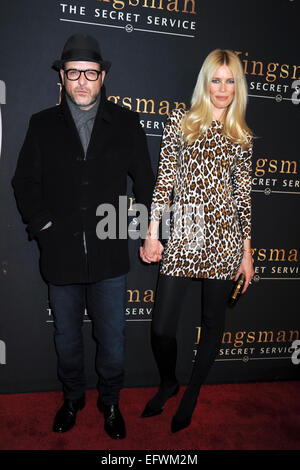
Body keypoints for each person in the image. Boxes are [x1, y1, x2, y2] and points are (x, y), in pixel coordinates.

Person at [12, 34, 154, 439]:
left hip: (110, 257)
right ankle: (72, 398)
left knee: (112, 340)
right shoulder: (42, 123)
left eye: (90, 73)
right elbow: (24, 181)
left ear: (102, 75)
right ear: (62, 76)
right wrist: (43, 229)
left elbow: (145, 182)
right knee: (67, 339)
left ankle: (110, 402)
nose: (81, 81)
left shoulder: (125, 122)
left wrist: (147, 233)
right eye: (73, 73)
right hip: (60, 256)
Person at [140, 49, 255, 433]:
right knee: (161, 329)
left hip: (225, 238)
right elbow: (165, 182)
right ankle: (169, 382)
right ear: (205, 82)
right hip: (187, 229)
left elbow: (242, 199)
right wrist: (153, 230)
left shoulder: (242, 136)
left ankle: (191, 394)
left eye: (230, 80)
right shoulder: (182, 123)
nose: (222, 88)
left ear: (237, 85)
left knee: (212, 321)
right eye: (216, 79)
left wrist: (247, 254)